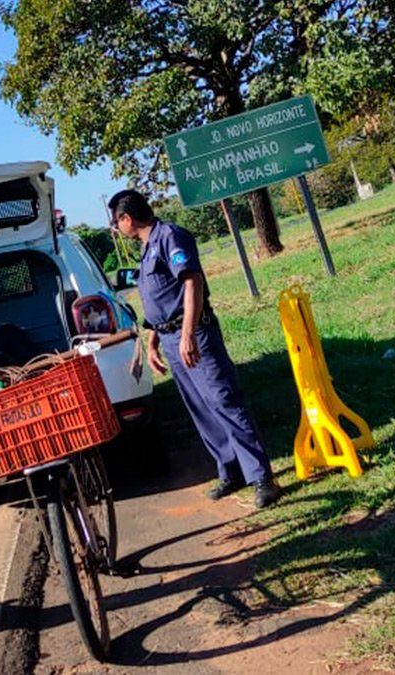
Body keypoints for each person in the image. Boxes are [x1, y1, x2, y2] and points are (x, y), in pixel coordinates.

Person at [107, 189, 281, 508]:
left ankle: (262, 477)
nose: (115, 229)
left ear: (126, 218)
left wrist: (187, 333)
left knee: (223, 399)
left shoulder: (170, 236)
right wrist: (153, 341)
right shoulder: (147, 249)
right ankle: (231, 470)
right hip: (171, 338)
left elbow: (192, 282)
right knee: (201, 408)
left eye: (115, 222)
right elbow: (160, 300)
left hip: (195, 335)